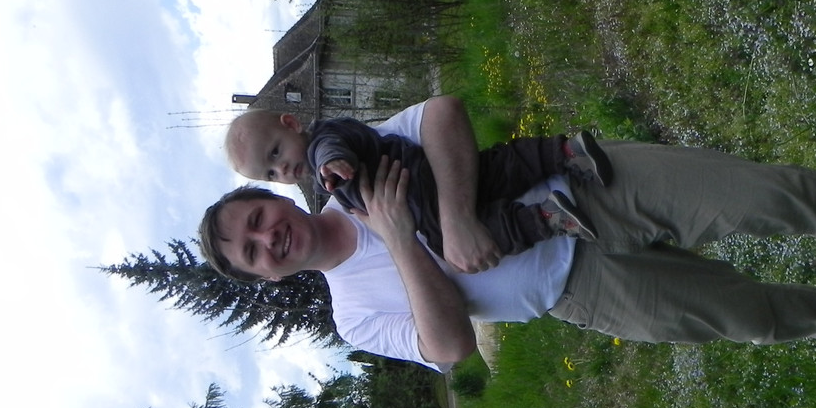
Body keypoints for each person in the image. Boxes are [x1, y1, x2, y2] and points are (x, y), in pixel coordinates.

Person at [200, 96, 816, 369]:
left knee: (765, 196)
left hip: (588, 184)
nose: (267, 239)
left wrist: (458, 216)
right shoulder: (353, 316)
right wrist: (402, 240)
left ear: (274, 199)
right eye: (252, 253)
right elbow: (450, 348)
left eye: (256, 220)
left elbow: (440, 115)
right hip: (580, 290)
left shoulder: (353, 165)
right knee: (746, 315)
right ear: (266, 277)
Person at [223, 108, 613, 255]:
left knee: (446, 240)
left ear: (291, 123)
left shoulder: (322, 145)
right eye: (271, 174)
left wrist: (331, 162)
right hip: (419, 173)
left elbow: (332, 148)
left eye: (275, 153)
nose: (282, 169)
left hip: (414, 194)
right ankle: (564, 153)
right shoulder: (322, 171)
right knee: (495, 170)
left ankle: (544, 219)